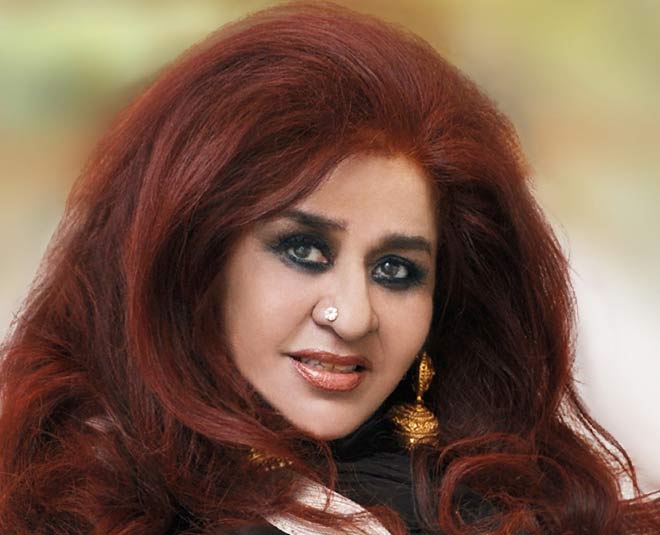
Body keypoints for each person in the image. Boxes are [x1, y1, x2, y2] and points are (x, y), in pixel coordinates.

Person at [0, 2, 658, 534]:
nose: (352, 315)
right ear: (194, 259)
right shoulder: (67, 492)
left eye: (396, 269)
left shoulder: (512, 501)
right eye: (304, 251)